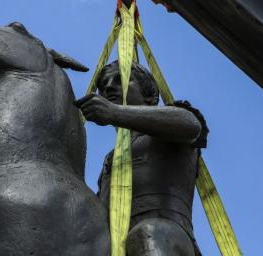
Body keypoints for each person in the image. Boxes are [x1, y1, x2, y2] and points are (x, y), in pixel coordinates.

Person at [75, 60, 208, 256]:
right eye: (103, 87)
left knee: (147, 234)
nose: (109, 87)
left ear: (150, 95)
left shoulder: (168, 128)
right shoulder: (111, 160)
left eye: (121, 80)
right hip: (115, 246)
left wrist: (114, 113)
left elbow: (190, 126)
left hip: (163, 236)